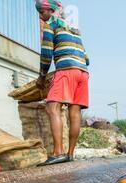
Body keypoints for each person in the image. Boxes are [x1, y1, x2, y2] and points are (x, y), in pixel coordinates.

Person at [36, 0, 90, 166]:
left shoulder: (51, 24)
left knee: (52, 107)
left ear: (50, 10)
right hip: (83, 73)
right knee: (74, 112)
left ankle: (57, 152)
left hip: (66, 70)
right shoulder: (74, 28)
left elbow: (46, 54)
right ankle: (70, 154)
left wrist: (42, 76)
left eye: (41, 12)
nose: (40, 15)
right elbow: (87, 58)